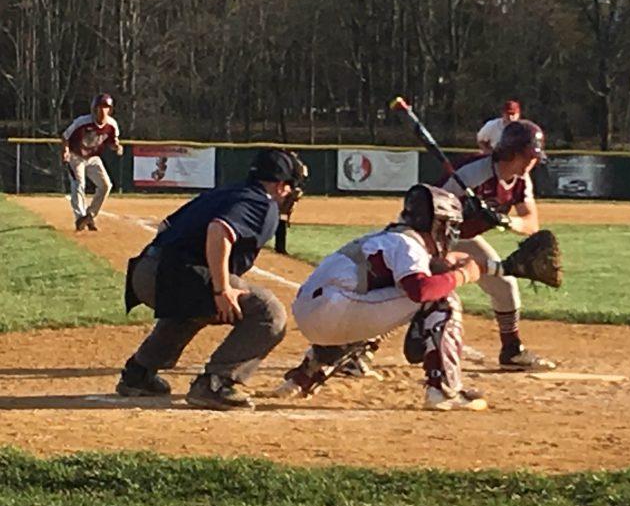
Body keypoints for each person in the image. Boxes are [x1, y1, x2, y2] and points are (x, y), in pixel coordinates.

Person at [115, 148, 307, 411]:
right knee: (268, 311)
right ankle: (216, 383)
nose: (291, 194)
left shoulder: (227, 192)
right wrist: (221, 289)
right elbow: (219, 230)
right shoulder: (262, 202)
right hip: (169, 274)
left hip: (146, 271)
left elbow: (165, 227)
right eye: (289, 187)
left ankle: (139, 373)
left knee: (195, 303)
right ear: (279, 185)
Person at [268, 184, 488, 411]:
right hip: (334, 311)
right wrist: (463, 275)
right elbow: (420, 290)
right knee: (444, 299)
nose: (451, 234)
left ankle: (305, 376)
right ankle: (443, 390)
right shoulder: (409, 244)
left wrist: (443, 266)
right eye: (449, 226)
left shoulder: (391, 238)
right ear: (435, 224)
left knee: (374, 301)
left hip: (313, 311)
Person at [443, 119, 556, 370]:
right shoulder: (472, 173)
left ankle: (512, 350)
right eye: (527, 156)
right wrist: (459, 212)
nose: (532, 162)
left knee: (504, 286)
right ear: (511, 152)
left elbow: (531, 223)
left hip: (464, 239)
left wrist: (505, 220)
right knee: (417, 293)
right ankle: (361, 347)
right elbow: (426, 207)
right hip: (431, 237)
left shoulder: (521, 180)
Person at [60, 93, 123, 231]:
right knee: (79, 184)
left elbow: (112, 142)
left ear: (110, 110)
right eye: (99, 107)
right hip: (76, 156)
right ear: (93, 109)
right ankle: (79, 218)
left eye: (106, 107)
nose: (102, 111)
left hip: (92, 157)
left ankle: (89, 215)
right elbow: (65, 136)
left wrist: (117, 147)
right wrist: (65, 151)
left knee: (106, 185)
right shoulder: (82, 122)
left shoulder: (112, 125)